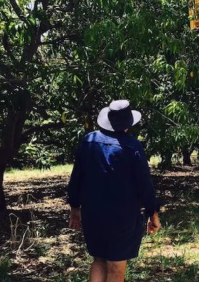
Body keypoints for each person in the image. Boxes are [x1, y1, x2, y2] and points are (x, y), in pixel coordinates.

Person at [67, 99, 161, 282]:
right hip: (122, 216)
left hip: (93, 213)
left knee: (99, 258)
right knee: (116, 266)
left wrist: (74, 207)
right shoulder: (132, 146)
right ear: (128, 124)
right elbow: (144, 184)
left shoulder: (89, 141)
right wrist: (153, 212)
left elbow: (76, 177)